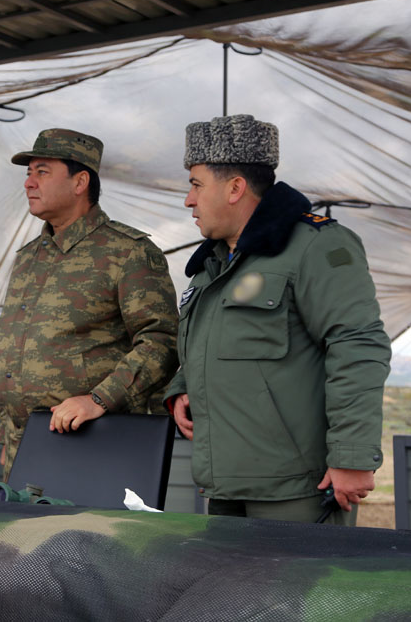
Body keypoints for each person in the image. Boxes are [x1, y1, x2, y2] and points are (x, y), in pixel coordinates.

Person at [164, 114, 391, 525]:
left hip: (297, 490)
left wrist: (352, 457)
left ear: (235, 188)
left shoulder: (315, 247)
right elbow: (217, 346)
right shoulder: (212, 265)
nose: (188, 200)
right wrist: (183, 388)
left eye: (196, 185)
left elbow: (357, 345)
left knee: (303, 573)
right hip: (226, 483)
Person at [0, 128, 179, 479]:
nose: (29, 183)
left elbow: (162, 342)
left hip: (95, 443)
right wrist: (8, 432)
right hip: (25, 443)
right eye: (28, 173)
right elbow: (13, 349)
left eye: (42, 171)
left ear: (80, 182)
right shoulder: (28, 257)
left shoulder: (128, 251)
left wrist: (98, 399)